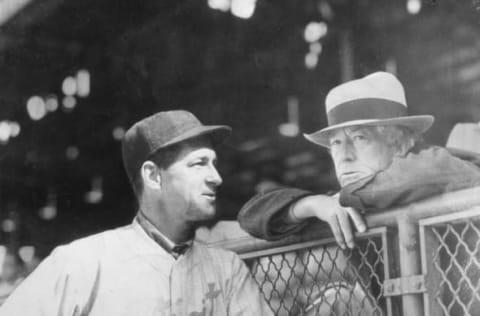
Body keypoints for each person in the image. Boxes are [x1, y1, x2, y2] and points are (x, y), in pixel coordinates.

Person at [0, 110, 273, 315]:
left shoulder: (226, 268)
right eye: (199, 163)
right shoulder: (83, 262)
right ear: (153, 176)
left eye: (214, 163)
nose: (216, 177)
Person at [238, 71, 480, 245]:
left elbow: (418, 176)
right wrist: (313, 204)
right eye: (336, 143)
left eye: (360, 138)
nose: (344, 156)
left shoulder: (436, 161)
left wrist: (338, 199)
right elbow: (250, 218)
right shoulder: (357, 195)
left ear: (397, 143)